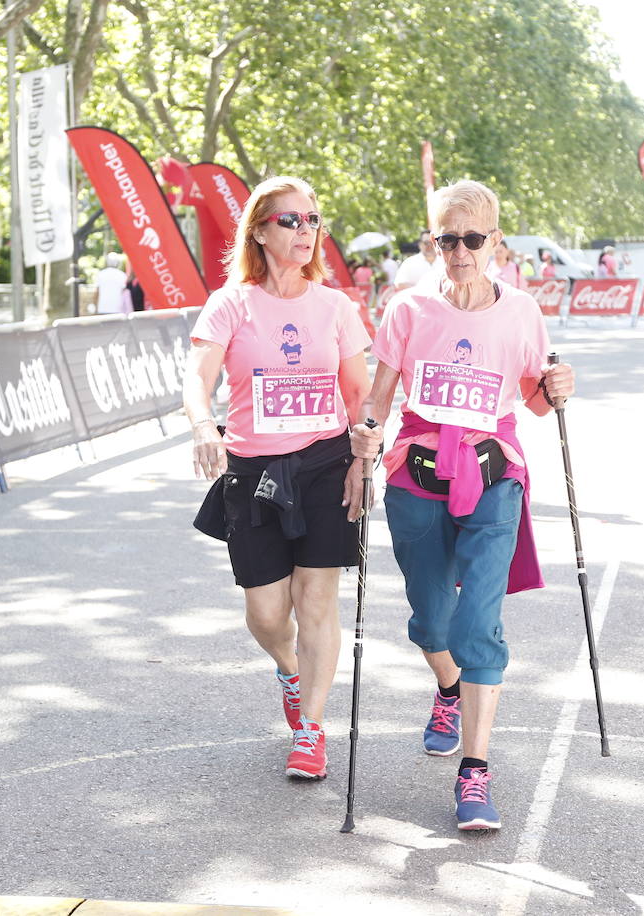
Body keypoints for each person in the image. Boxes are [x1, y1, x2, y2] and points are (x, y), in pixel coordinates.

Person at [352, 180, 575, 831]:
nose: (459, 251)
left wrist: (557, 388)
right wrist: (364, 433)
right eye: (447, 239)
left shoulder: (522, 312)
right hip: (416, 481)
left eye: (472, 238)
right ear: (432, 243)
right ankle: (447, 688)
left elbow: (535, 397)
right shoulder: (408, 310)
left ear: (495, 242)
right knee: (431, 623)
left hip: (492, 479)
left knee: (478, 625)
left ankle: (474, 773)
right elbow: (379, 395)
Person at [184, 176, 380, 780]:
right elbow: (198, 378)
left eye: (313, 219)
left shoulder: (335, 306)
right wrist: (202, 425)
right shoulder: (231, 304)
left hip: (324, 465)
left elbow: (359, 392)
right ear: (261, 231)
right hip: (253, 470)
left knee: (317, 599)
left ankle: (312, 730)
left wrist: (364, 451)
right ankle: (289, 670)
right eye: (291, 220)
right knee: (267, 613)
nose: (305, 230)